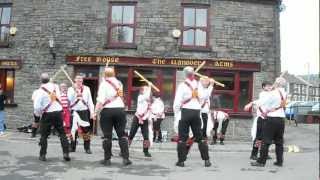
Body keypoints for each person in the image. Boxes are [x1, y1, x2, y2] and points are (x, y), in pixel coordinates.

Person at [173, 66, 211, 167]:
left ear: (185, 74)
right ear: (193, 74)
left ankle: (181, 161)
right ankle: (207, 160)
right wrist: (208, 86)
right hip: (196, 113)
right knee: (200, 137)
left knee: (182, 138)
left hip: (185, 112)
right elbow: (204, 97)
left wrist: (177, 114)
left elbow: (177, 102)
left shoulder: (182, 85)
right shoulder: (199, 85)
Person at [245, 77, 287, 167]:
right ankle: (279, 161)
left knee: (265, 141)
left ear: (277, 84)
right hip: (281, 120)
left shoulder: (273, 93)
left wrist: (252, 104)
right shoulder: (284, 92)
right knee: (279, 142)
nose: (271, 86)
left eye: (273, 84)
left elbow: (262, 101)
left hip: (271, 119)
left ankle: (261, 161)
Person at [94, 66, 132, 166]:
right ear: (114, 74)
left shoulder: (104, 84)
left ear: (105, 74)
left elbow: (100, 100)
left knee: (107, 136)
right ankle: (126, 158)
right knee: (122, 135)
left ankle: (107, 159)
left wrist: (95, 112)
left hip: (107, 111)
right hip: (120, 110)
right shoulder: (120, 83)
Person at [33, 73, 70, 161]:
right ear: (49, 79)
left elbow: (37, 107)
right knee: (62, 134)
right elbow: (58, 96)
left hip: (47, 114)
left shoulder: (40, 91)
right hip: (58, 113)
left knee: (44, 135)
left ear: (41, 80)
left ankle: (42, 155)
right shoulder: (56, 87)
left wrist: (38, 116)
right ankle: (66, 153)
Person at [67, 75, 94, 154]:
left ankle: (87, 148)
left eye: (80, 79)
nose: (79, 80)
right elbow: (69, 100)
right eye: (77, 79)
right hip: (74, 111)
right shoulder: (70, 89)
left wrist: (92, 112)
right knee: (73, 130)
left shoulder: (87, 89)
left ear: (82, 81)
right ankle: (72, 147)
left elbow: (90, 102)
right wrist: (74, 91)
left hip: (84, 111)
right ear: (75, 80)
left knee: (86, 130)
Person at [248, 81, 273, 160]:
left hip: (268, 118)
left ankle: (264, 153)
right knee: (258, 137)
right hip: (261, 118)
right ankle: (254, 154)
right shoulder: (262, 94)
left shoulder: (271, 94)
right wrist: (252, 103)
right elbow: (262, 101)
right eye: (267, 86)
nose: (269, 87)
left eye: (270, 86)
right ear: (263, 87)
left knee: (267, 138)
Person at [128, 83, 153, 157]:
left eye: (144, 89)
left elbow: (149, 111)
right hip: (137, 118)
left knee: (146, 136)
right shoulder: (140, 97)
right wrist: (150, 86)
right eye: (144, 89)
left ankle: (146, 151)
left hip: (144, 119)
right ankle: (125, 149)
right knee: (132, 134)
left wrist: (148, 119)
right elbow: (147, 95)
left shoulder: (149, 101)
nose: (143, 90)